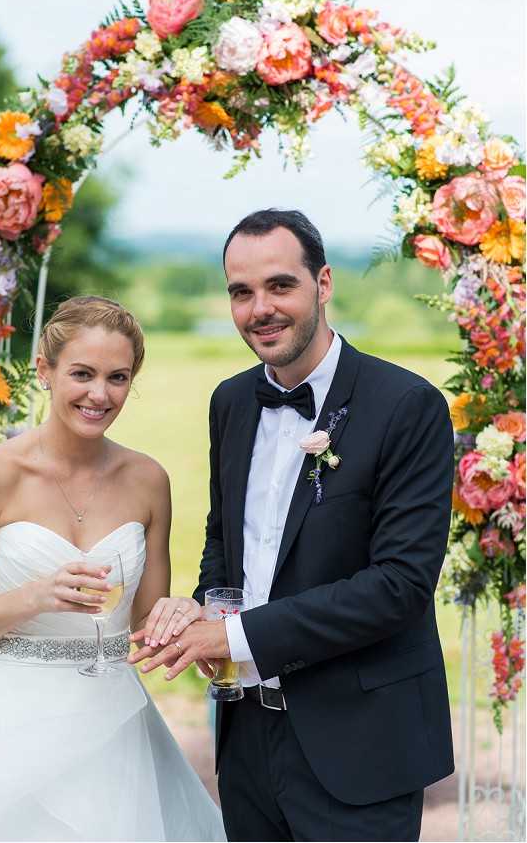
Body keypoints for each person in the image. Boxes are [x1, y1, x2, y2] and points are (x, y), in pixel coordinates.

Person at [129, 210, 455, 842]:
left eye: (280, 286)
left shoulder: (407, 406)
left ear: (323, 283)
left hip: (362, 744)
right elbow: (227, 543)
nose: (260, 309)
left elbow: (399, 586)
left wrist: (236, 637)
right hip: (247, 740)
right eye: (241, 292)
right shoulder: (230, 400)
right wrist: (202, 610)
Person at [0, 295, 225, 843]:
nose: (99, 394)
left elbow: (145, 623)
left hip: (115, 725)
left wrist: (181, 615)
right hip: (7, 725)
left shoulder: (148, 479)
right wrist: (35, 596)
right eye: (82, 374)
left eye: (117, 377)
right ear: (45, 371)